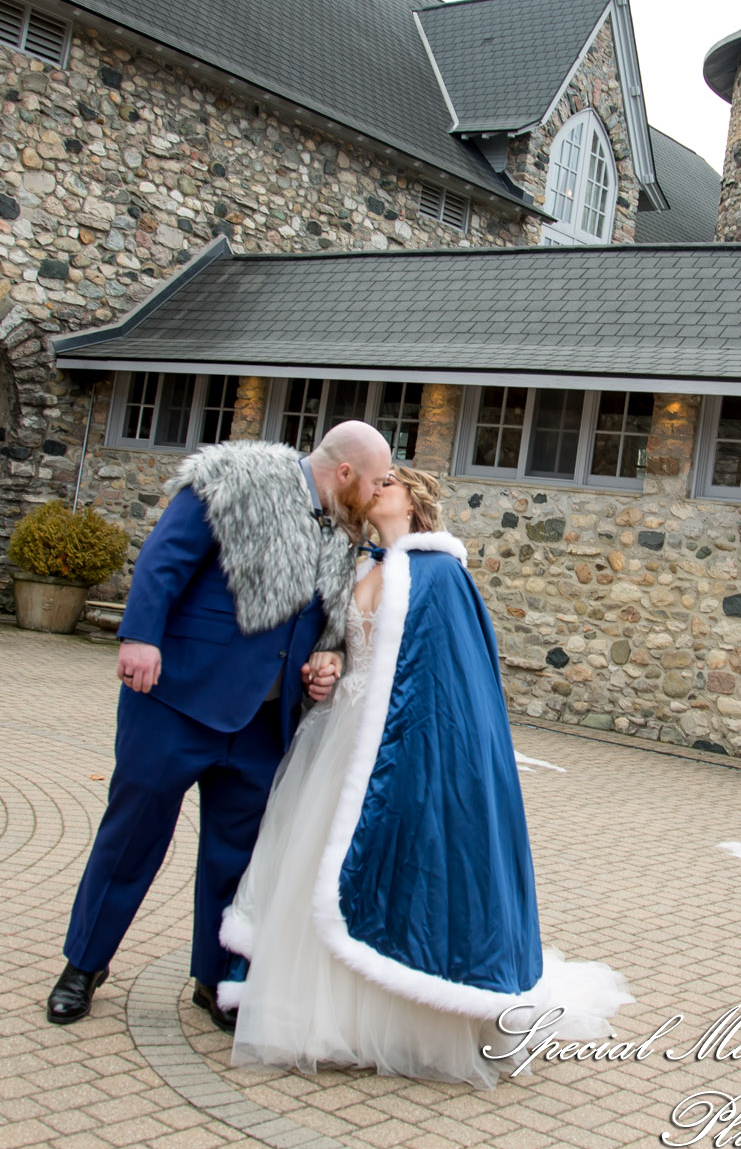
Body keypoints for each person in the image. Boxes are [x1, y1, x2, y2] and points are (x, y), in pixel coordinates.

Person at [215, 466, 632, 1086]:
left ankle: (401, 1018)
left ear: (415, 500)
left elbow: (453, 691)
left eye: (392, 480)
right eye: (375, 478)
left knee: (392, 877)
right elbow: (333, 650)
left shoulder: (440, 575)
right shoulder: (352, 565)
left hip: (405, 752)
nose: (379, 485)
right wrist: (321, 672)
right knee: (315, 868)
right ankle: (320, 1016)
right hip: (337, 743)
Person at [46, 421, 393, 1027]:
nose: (378, 492)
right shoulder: (235, 479)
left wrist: (326, 660)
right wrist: (139, 637)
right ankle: (84, 965)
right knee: (132, 837)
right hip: (176, 699)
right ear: (344, 473)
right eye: (374, 481)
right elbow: (164, 558)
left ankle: (216, 981)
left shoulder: (346, 528)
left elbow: (325, 623)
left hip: (263, 724)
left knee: (237, 858)